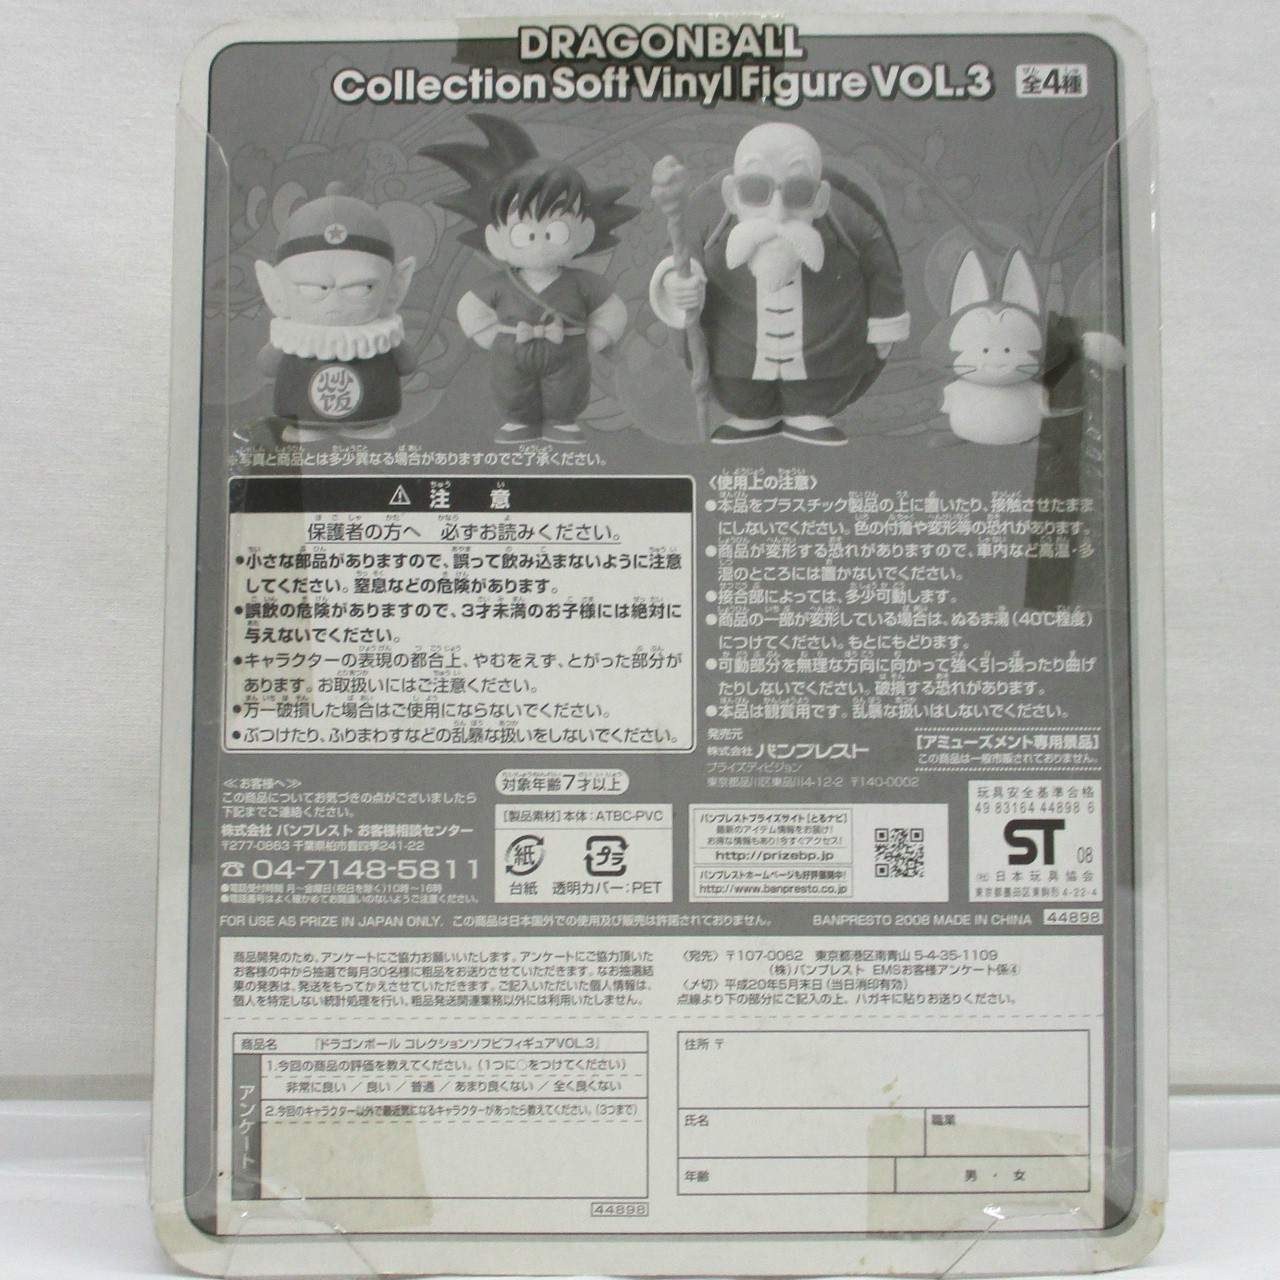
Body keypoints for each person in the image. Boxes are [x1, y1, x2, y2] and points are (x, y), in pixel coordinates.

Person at [649, 122, 909, 445]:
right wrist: (678, 285)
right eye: (756, 190)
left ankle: (809, 410)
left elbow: (879, 259)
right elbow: (681, 257)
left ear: (820, 199)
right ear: (732, 195)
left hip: (826, 358)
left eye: (798, 192)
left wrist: (885, 321)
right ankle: (751, 413)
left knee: (819, 388)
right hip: (733, 359)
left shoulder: (847, 218)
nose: (778, 214)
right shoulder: (708, 218)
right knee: (741, 393)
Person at [421, 114, 636, 443]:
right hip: (512, 351)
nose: (539, 241)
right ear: (496, 239)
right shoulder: (501, 284)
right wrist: (490, 337)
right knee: (511, 387)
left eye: (555, 230)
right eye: (523, 232)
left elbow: (611, 308)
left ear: (584, 233)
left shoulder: (582, 283)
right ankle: (518, 420)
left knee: (567, 388)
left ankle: (562, 420)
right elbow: (471, 307)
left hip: (568, 354)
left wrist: (595, 338)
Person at [254, 183, 417, 443]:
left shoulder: (382, 337)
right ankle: (307, 426)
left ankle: (365, 425)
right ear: (275, 289)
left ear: (394, 287)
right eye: (312, 288)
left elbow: (407, 362)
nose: (335, 300)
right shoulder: (291, 338)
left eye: (359, 288)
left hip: (373, 409)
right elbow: (267, 364)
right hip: (300, 412)